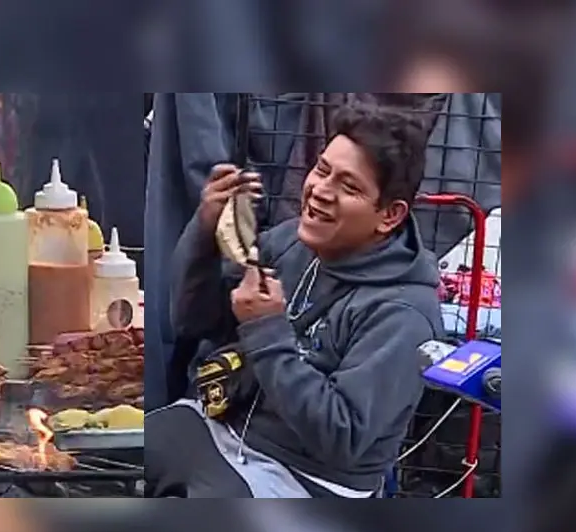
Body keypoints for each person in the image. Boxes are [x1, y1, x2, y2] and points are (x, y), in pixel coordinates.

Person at [146, 104, 445, 498]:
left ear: (389, 215)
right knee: (127, 457)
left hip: (307, 477)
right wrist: (205, 233)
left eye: (349, 186)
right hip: (224, 429)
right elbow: (193, 322)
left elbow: (342, 438)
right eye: (322, 170)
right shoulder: (290, 243)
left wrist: (267, 330)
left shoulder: (404, 315)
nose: (320, 191)